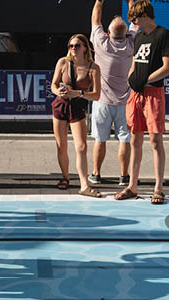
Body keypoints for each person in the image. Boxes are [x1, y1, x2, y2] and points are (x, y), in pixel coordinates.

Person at [115, 0, 169, 204]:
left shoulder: (163, 34)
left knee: (155, 141)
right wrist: (132, 78)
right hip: (136, 94)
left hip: (153, 94)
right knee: (135, 140)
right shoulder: (139, 37)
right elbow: (134, 61)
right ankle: (132, 186)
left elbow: (168, 67)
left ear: (145, 16)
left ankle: (158, 188)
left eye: (135, 18)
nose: (134, 22)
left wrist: (145, 79)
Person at [89, 0, 136, 187]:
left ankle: (96, 174)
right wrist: (131, 2)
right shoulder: (131, 44)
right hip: (125, 102)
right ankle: (124, 177)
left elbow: (95, 19)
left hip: (102, 101)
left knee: (100, 140)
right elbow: (135, 20)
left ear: (108, 33)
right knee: (125, 139)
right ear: (126, 34)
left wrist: (99, 1)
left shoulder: (101, 44)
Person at [50, 34, 102, 196]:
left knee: (81, 146)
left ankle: (84, 184)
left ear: (85, 48)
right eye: (71, 46)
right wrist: (57, 91)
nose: (73, 48)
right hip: (60, 106)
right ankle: (65, 177)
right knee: (61, 145)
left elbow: (96, 95)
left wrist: (77, 93)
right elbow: (53, 84)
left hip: (78, 108)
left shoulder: (93, 68)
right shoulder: (63, 62)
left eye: (77, 46)